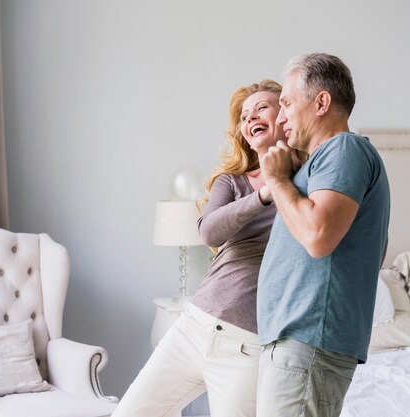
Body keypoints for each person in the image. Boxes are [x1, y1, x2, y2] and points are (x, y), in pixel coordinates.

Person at [112, 80, 304, 417]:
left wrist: (283, 183)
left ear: (284, 115)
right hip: (192, 327)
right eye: (245, 116)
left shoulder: (306, 184)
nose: (251, 118)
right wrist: (263, 194)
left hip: (247, 346)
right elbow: (210, 231)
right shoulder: (231, 182)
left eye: (262, 108)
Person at [255, 53, 390, 417]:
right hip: (298, 344)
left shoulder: (345, 149)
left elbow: (318, 236)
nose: (280, 117)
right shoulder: (321, 164)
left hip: (308, 343)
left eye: (285, 103)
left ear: (321, 102)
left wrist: (278, 180)